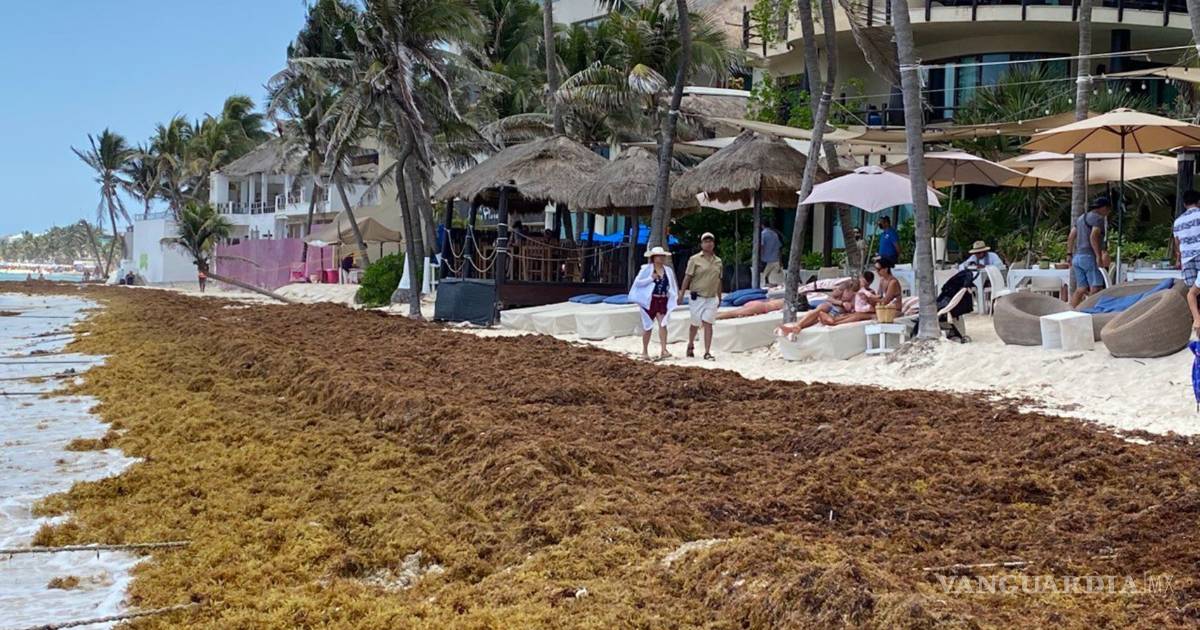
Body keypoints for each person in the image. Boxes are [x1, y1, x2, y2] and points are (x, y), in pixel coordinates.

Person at [629, 246, 678, 360]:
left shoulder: (668, 270)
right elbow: (637, 283)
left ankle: (664, 349)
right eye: (658, 256)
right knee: (648, 326)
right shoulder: (646, 269)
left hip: (663, 299)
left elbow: (672, 285)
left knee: (663, 324)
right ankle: (645, 351)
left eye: (662, 256)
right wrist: (651, 278)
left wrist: (675, 296)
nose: (661, 258)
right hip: (650, 300)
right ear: (653, 258)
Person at [679, 232, 722, 360]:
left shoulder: (718, 261)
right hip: (697, 296)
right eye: (706, 241)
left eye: (711, 241)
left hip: (711, 296)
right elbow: (687, 277)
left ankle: (707, 351)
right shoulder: (694, 259)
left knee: (708, 323)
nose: (709, 243)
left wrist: (720, 296)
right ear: (702, 244)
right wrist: (681, 293)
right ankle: (691, 343)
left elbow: (719, 279)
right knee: (695, 323)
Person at [775, 277, 859, 337]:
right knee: (821, 308)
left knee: (819, 316)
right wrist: (841, 303)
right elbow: (829, 298)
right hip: (832, 306)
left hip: (839, 313)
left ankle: (798, 327)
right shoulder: (841, 289)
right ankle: (797, 326)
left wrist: (850, 308)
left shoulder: (858, 295)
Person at [1067, 196, 1111, 307]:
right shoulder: (1098, 219)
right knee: (1096, 288)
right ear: (1103, 208)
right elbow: (1093, 236)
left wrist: (1069, 254)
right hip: (1089, 257)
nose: (1107, 213)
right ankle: (1087, 310)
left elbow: (1071, 236)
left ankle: (1070, 310)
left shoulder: (1081, 218)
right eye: (1108, 210)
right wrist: (1098, 256)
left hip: (1077, 257)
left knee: (1081, 288)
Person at [1174, 190, 1200, 287]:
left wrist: (1178, 259)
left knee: (1192, 289)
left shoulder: (1178, 221)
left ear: (1184, 204)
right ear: (1199, 202)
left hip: (1187, 258)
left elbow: (1177, 243)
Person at [759, 223, 783, 287]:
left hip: (765, 259)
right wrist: (780, 260)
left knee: (763, 279)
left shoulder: (763, 234)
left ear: (762, 225)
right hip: (775, 259)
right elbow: (779, 248)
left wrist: (759, 257)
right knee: (772, 280)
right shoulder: (775, 234)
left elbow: (761, 246)